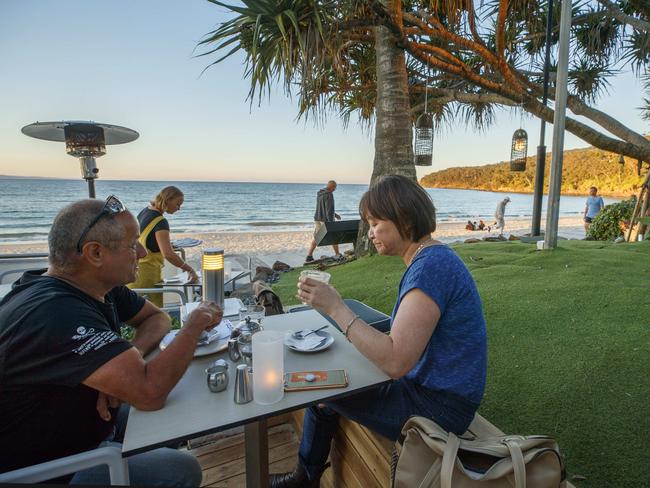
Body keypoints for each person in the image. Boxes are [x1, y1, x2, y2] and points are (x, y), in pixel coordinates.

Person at [271, 175, 487, 487]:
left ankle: (305, 478)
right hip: (427, 390)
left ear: (404, 218)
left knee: (320, 389)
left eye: (375, 223)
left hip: (438, 410)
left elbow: (396, 361)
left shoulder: (431, 267)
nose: (369, 232)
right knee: (329, 381)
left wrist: (335, 307)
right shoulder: (431, 259)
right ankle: (307, 474)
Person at [0, 196, 223, 486]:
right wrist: (194, 323)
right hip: (48, 469)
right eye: (132, 245)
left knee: (176, 415)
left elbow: (157, 319)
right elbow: (150, 393)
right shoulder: (53, 313)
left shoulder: (95, 285)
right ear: (95, 253)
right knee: (180, 470)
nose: (142, 253)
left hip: (86, 424)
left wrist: (130, 357)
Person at [128, 186, 198, 307]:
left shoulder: (145, 211)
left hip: (134, 271)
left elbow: (146, 240)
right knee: (153, 317)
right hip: (147, 277)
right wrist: (190, 270)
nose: (179, 208)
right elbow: (168, 254)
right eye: (177, 204)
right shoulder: (161, 221)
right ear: (168, 200)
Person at [305, 180, 342, 264]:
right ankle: (337, 254)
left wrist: (335, 215)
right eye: (334, 187)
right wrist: (331, 222)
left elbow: (323, 207)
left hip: (317, 218)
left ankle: (309, 256)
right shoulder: (329, 195)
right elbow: (328, 210)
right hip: (324, 220)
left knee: (317, 237)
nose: (335, 189)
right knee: (334, 236)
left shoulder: (320, 194)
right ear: (332, 187)